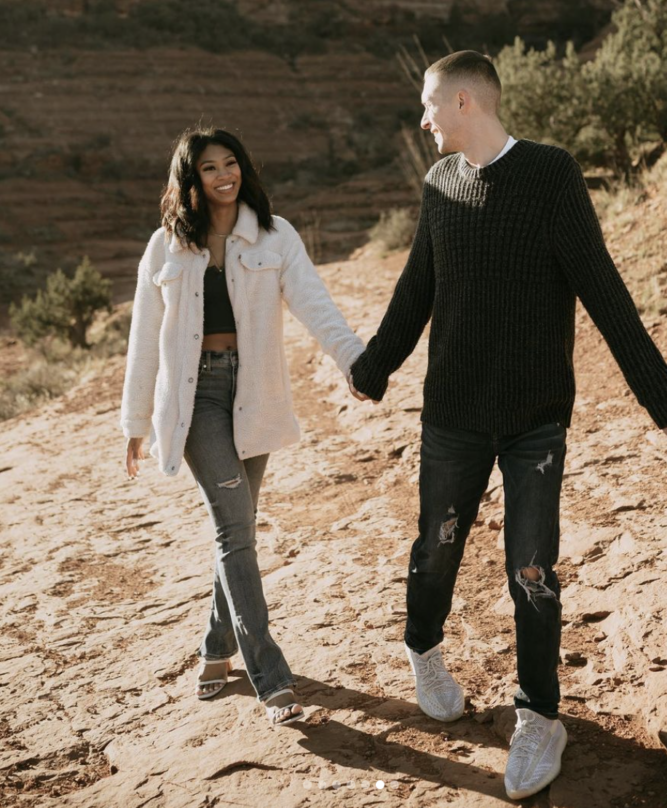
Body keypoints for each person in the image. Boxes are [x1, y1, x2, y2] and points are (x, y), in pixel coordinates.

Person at [348, 50, 667, 800]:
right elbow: (415, 289)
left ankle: (537, 715)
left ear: (465, 101)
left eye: (428, 104)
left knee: (531, 572)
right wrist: (374, 365)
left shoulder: (549, 176)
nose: (421, 118)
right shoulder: (438, 185)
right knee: (435, 549)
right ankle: (422, 647)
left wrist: (660, 397)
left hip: (532, 420)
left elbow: (602, 288)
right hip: (453, 413)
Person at [120, 126, 364, 726]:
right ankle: (271, 677)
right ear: (191, 178)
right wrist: (135, 422)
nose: (224, 174)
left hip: (253, 393)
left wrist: (358, 361)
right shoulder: (166, 247)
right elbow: (144, 340)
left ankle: (214, 648)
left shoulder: (275, 236)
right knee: (233, 528)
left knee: (239, 530)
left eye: (231, 163)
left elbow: (316, 304)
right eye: (209, 167)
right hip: (194, 396)